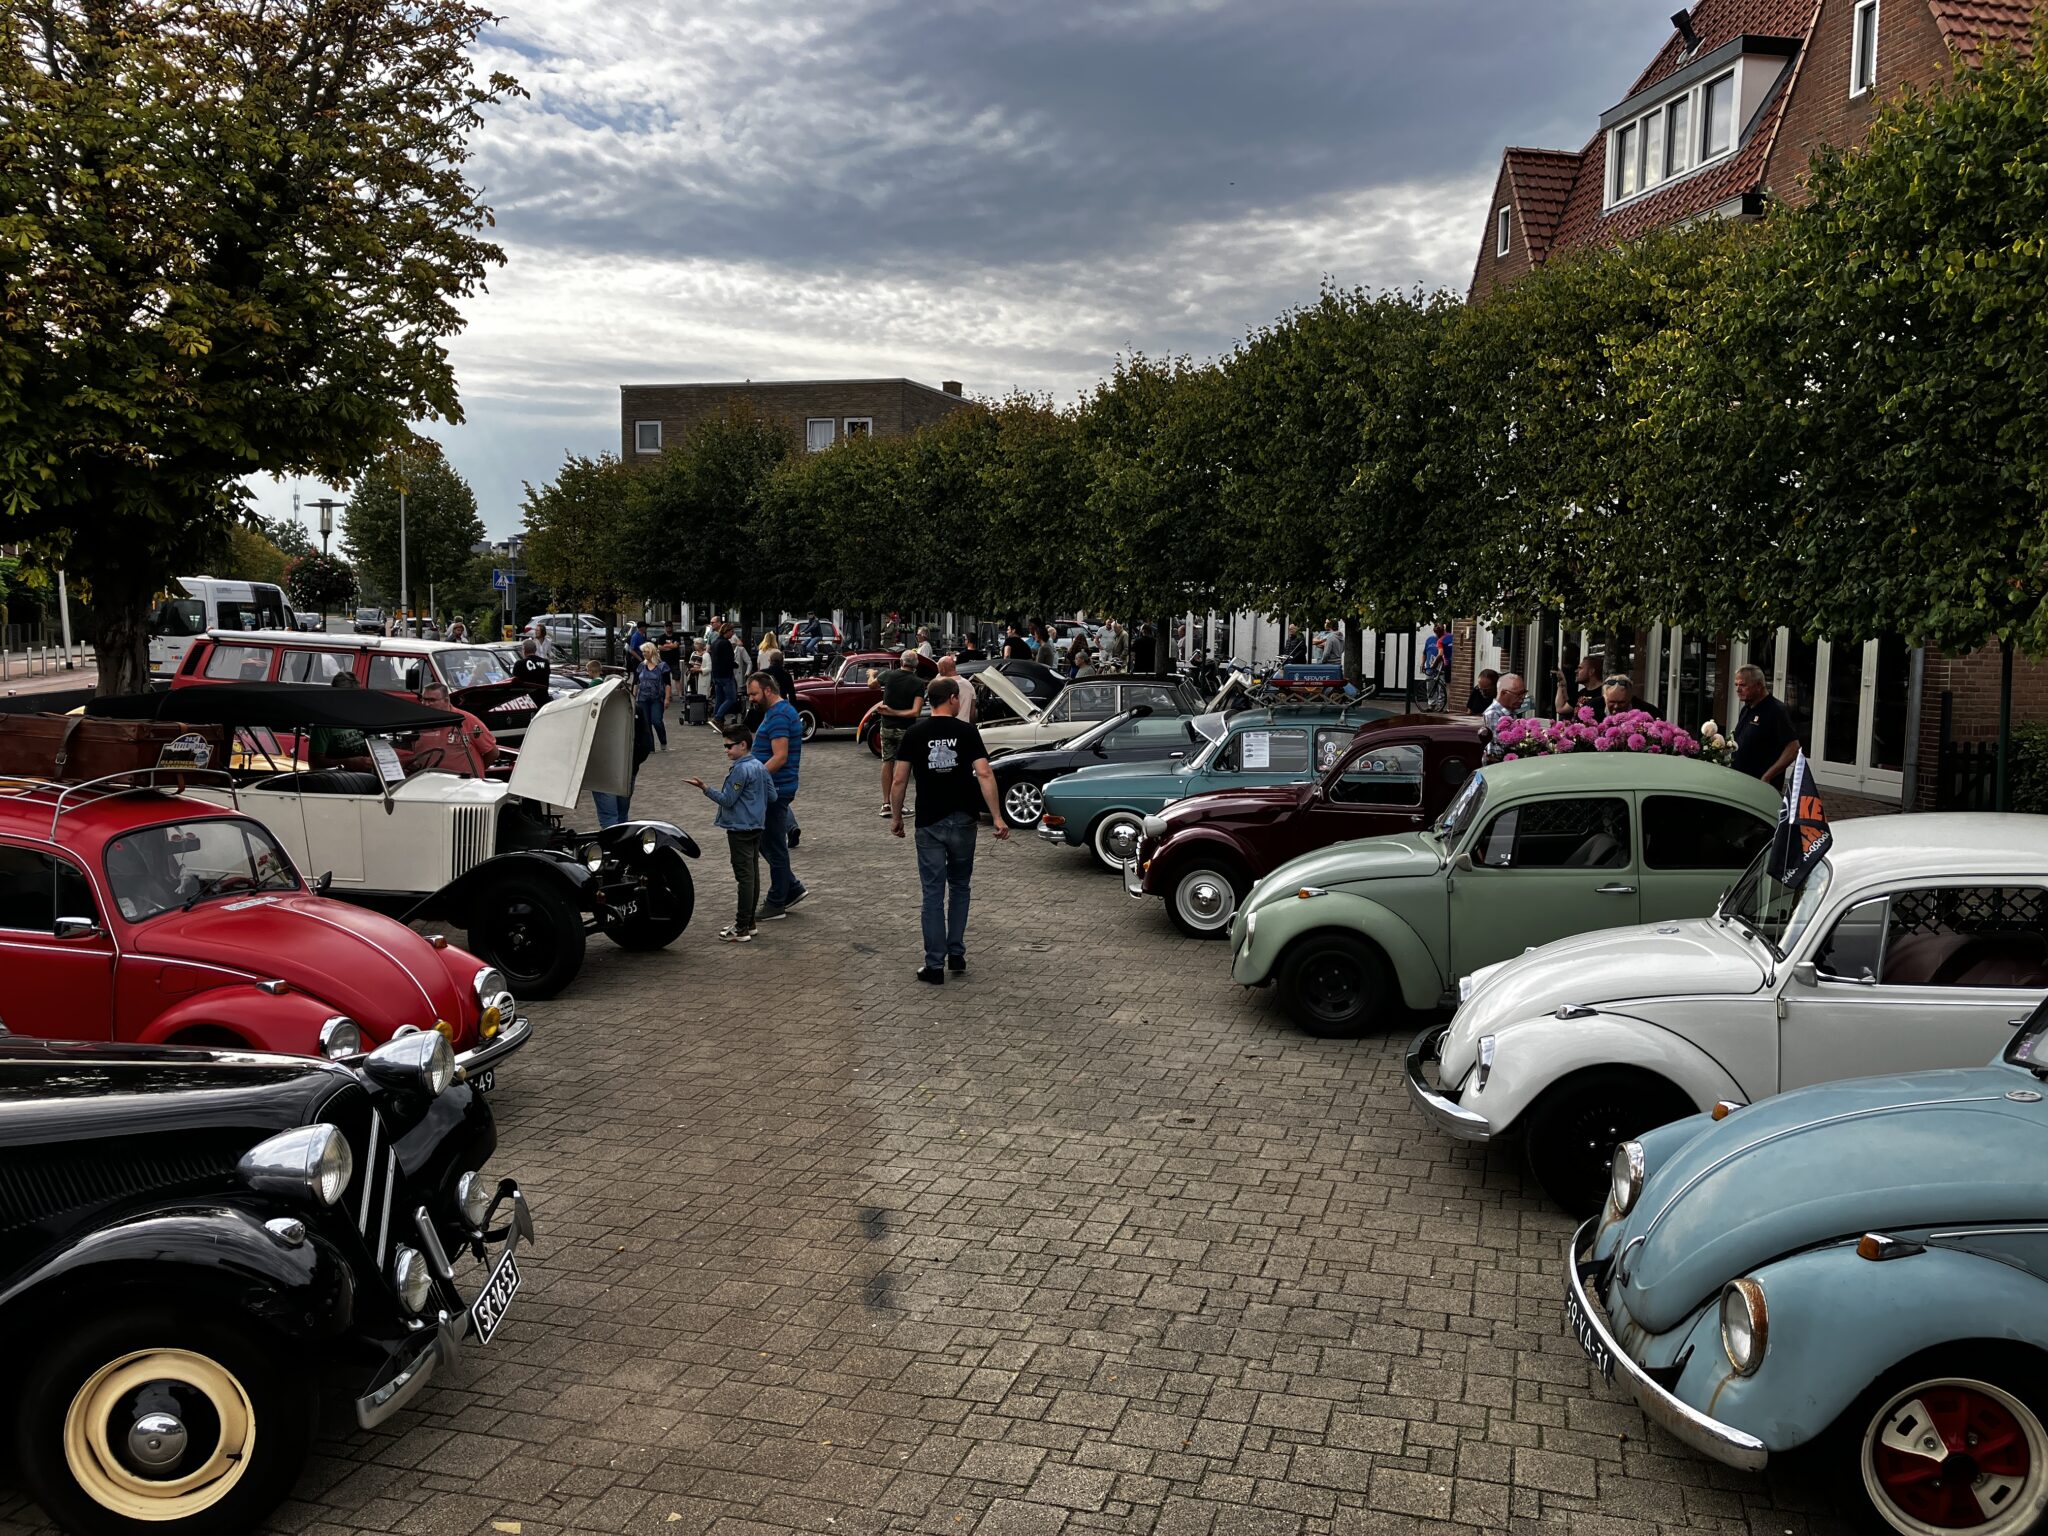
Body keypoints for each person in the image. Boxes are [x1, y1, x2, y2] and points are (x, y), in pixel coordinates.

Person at [890, 676, 1009, 984]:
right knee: (959, 886)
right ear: (952, 698)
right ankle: (956, 953)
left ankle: (933, 966)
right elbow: (984, 773)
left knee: (932, 892)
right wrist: (996, 816)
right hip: (964, 819)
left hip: (929, 820)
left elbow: (900, 779)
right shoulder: (968, 732)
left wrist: (896, 816)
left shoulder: (915, 733)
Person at [689, 726, 773, 941]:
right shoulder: (760, 767)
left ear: (742, 745)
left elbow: (727, 799)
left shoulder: (740, 770)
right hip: (756, 827)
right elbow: (772, 796)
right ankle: (750, 922)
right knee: (752, 875)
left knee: (744, 878)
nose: (725, 750)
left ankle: (742, 927)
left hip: (740, 829)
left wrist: (705, 788)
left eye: (728, 746)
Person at [747, 670, 807, 918]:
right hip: (775, 787)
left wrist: (753, 775)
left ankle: (776, 901)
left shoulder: (780, 715)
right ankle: (790, 887)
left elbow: (780, 757)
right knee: (765, 841)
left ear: (767, 691)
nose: (751, 698)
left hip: (776, 788)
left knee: (773, 844)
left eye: (753, 693)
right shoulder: (776, 712)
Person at [873, 657, 928, 816]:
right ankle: (900, 805)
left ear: (901, 662)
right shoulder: (918, 683)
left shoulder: (888, 675)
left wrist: (871, 674)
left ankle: (886, 804)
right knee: (902, 765)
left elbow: (872, 685)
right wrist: (897, 713)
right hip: (906, 729)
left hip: (887, 726)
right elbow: (915, 711)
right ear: (915, 665)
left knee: (887, 761)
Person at [1732, 663, 1801, 787]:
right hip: (1740, 783)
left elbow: (1793, 748)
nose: (1738, 689)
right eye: (1736, 685)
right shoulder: (1747, 709)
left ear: (1758, 685)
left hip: (1761, 787)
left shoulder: (1776, 710)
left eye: (1743, 685)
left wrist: (1767, 776)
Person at [593, 703, 655, 829]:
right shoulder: (633, 708)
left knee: (609, 815)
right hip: (626, 770)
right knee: (621, 814)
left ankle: (614, 845)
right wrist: (632, 763)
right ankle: (621, 844)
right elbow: (645, 743)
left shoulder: (595, 709)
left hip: (602, 771)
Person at [309, 672, 368, 767]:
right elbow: (315, 763)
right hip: (341, 778)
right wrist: (348, 763)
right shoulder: (324, 723)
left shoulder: (363, 716)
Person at [633, 640, 672, 750]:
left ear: (652, 652)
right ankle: (650, 746)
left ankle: (663, 741)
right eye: (643, 652)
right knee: (646, 723)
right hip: (642, 698)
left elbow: (667, 684)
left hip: (657, 697)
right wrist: (634, 696)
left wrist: (667, 698)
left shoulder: (662, 666)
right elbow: (636, 682)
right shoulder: (641, 666)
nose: (644, 654)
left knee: (656, 721)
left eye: (646, 651)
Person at [1483, 673, 1534, 752]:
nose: (1523, 698)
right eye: (1518, 694)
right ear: (1503, 693)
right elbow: (1496, 750)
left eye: (1524, 693)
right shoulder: (1493, 714)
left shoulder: (1511, 712)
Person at [707, 620, 738, 724]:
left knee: (719, 698)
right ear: (727, 631)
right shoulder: (726, 643)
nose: (733, 633)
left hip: (716, 674)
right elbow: (728, 660)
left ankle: (717, 717)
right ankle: (718, 717)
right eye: (732, 631)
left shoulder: (715, 643)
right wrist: (734, 664)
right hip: (726, 675)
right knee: (731, 698)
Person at [1554, 654, 1602, 719]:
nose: (1576, 671)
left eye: (1580, 668)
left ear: (1591, 671)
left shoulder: (1604, 694)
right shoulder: (1582, 693)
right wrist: (1561, 682)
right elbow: (1560, 708)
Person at [935, 654, 975, 722]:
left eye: (939, 669)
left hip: (948, 727)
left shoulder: (943, 686)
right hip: (965, 727)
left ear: (943, 670)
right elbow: (972, 711)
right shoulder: (968, 685)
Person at [513, 638, 551, 708]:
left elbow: (515, 685)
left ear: (524, 650)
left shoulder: (519, 664)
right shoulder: (545, 663)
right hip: (544, 701)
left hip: (527, 703)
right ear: (535, 650)